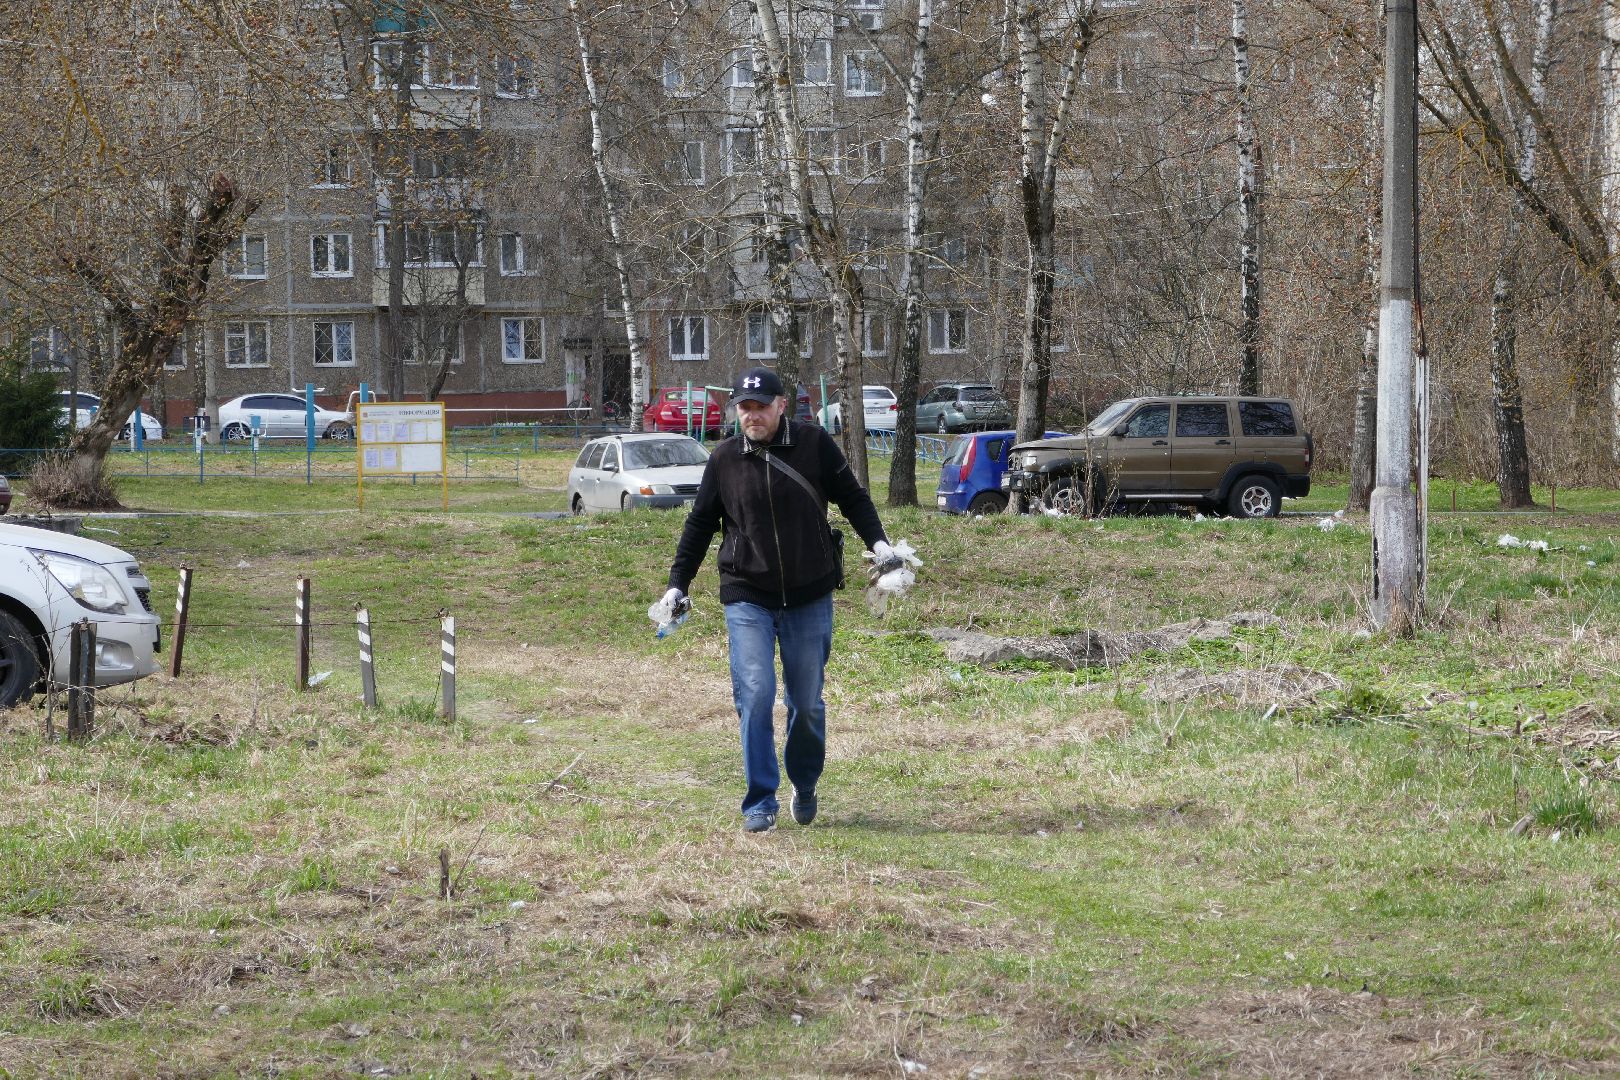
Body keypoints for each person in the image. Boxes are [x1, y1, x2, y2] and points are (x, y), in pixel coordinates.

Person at [658, 366, 901, 833]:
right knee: (756, 694)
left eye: (761, 407)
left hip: (809, 593)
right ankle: (760, 801)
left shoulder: (813, 446)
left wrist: (880, 543)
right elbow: (699, 525)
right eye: (744, 408)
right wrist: (677, 584)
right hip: (746, 593)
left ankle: (805, 782)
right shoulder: (724, 459)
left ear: (781, 406)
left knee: (806, 702)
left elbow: (853, 498)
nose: (752, 416)